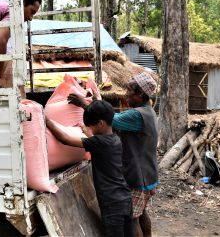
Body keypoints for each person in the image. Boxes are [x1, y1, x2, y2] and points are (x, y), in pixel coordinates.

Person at [68, 72, 159, 237]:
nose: (126, 94)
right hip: (149, 175)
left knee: (133, 219)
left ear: (140, 94)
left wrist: (86, 105)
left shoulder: (136, 115)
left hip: (138, 177)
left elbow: (109, 120)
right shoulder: (148, 111)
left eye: (129, 90)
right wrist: (96, 101)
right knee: (142, 213)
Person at [46, 100, 134, 237]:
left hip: (111, 203)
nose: (90, 129)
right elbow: (98, 143)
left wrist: (45, 119)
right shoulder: (115, 139)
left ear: (101, 123)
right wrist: (89, 134)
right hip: (125, 198)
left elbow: (65, 139)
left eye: (92, 126)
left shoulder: (99, 142)